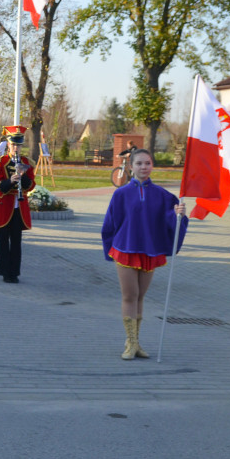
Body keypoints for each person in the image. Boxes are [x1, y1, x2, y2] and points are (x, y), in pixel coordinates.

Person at [101, 148, 187, 360]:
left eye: (147, 163)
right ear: (131, 167)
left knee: (140, 296)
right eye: (139, 163)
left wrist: (178, 216)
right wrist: (109, 249)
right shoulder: (120, 194)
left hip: (150, 250)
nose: (143, 167)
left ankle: (136, 342)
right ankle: (130, 342)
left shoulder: (163, 195)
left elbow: (170, 223)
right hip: (125, 249)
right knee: (129, 295)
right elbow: (111, 223)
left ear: (152, 166)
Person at [0, 125, 36, 284]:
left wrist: (22, 179)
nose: (16, 148)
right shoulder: (0, 161)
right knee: (4, 240)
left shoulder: (26, 162)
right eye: (13, 144)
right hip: (5, 204)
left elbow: (31, 185)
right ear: (8, 144)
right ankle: (4, 271)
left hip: (19, 207)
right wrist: (10, 181)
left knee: (16, 240)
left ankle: (14, 272)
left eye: (18, 145)